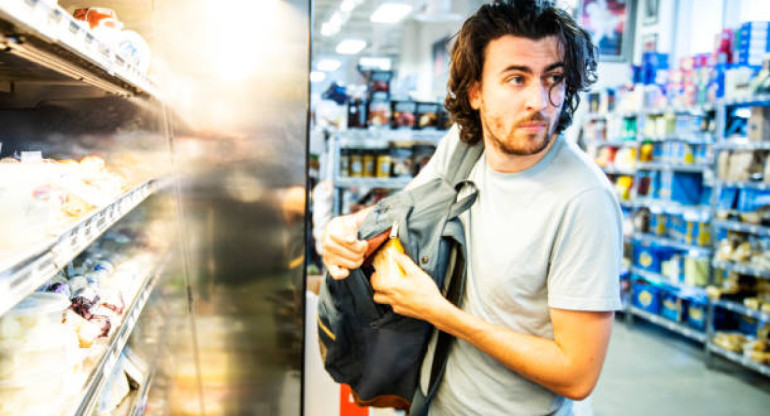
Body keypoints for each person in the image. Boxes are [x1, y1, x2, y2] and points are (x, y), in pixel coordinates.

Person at [321, 1, 622, 415]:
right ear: (475, 92)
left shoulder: (584, 201)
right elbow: (406, 210)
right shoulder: (465, 147)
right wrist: (346, 229)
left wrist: (440, 312)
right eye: (516, 78)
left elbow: (577, 374)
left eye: (552, 78)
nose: (539, 101)